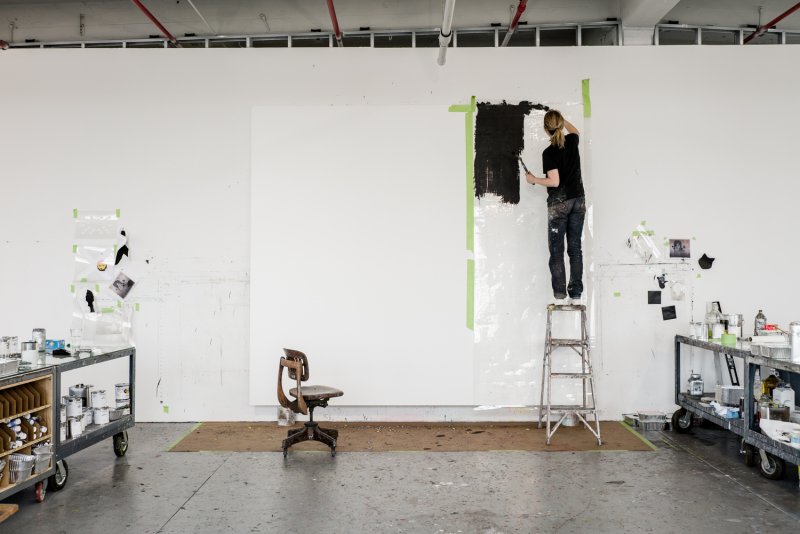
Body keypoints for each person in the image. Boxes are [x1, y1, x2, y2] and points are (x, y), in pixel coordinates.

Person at [524, 110, 586, 305]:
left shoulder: (549, 152)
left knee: (557, 251)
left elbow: (554, 181)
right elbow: (575, 131)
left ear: (545, 129)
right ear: (560, 125)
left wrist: (533, 179)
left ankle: (560, 296)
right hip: (578, 200)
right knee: (575, 249)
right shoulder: (572, 141)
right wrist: (562, 121)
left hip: (559, 204)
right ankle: (575, 295)